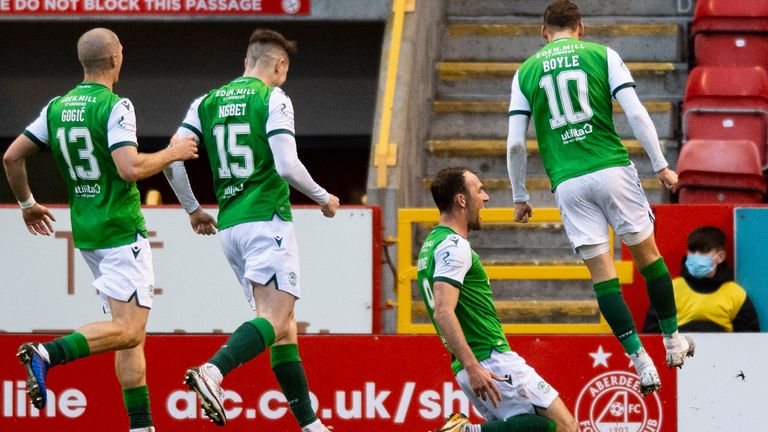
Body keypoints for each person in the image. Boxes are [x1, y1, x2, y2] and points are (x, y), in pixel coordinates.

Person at [2, 28, 199, 432]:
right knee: (128, 330)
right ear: (115, 59)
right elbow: (130, 168)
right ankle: (47, 354)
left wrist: (27, 204)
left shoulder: (57, 107)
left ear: (83, 62)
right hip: (120, 228)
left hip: (88, 231)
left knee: (126, 334)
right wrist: (173, 153)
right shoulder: (115, 105)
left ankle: (141, 426)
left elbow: (11, 157)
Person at [505, 0, 694, 396]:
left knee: (603, 279)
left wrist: (520, 194)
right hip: (611, 169)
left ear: (543, 32)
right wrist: (660, 164)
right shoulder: (603, 55)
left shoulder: (524, 72)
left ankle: (641, 363)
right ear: (581, 27)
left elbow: (514, 145)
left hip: (568, 182)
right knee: (649, 258)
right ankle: (673, 341)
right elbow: (637, 113)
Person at [162, 28, 339, 432]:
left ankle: (309, 425)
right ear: (280, 65)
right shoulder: (273, 98)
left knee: (283, 326)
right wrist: (324, 197)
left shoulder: (205, 102)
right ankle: (213, 371)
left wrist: (193, 209)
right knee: (276, 320)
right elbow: (286, 165)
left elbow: (173, 160)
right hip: (267, 219)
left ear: (246, 61)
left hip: (230, 228)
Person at [418, 167, 577, 432]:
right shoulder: (453, 246)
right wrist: (473, 366)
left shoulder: (431, 244)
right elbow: (444, 312)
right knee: (564, 426)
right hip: (488, 358)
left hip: (470, 362)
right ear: (461, 200)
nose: (486, 197)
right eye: (479, 190)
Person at [644, 226, 760, 333]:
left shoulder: (736, 294)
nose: (696, 256)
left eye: (704, 251)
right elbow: (652, 334)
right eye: (692, 251)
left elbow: (749, 339)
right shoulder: (671, 289)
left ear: (720, 256)